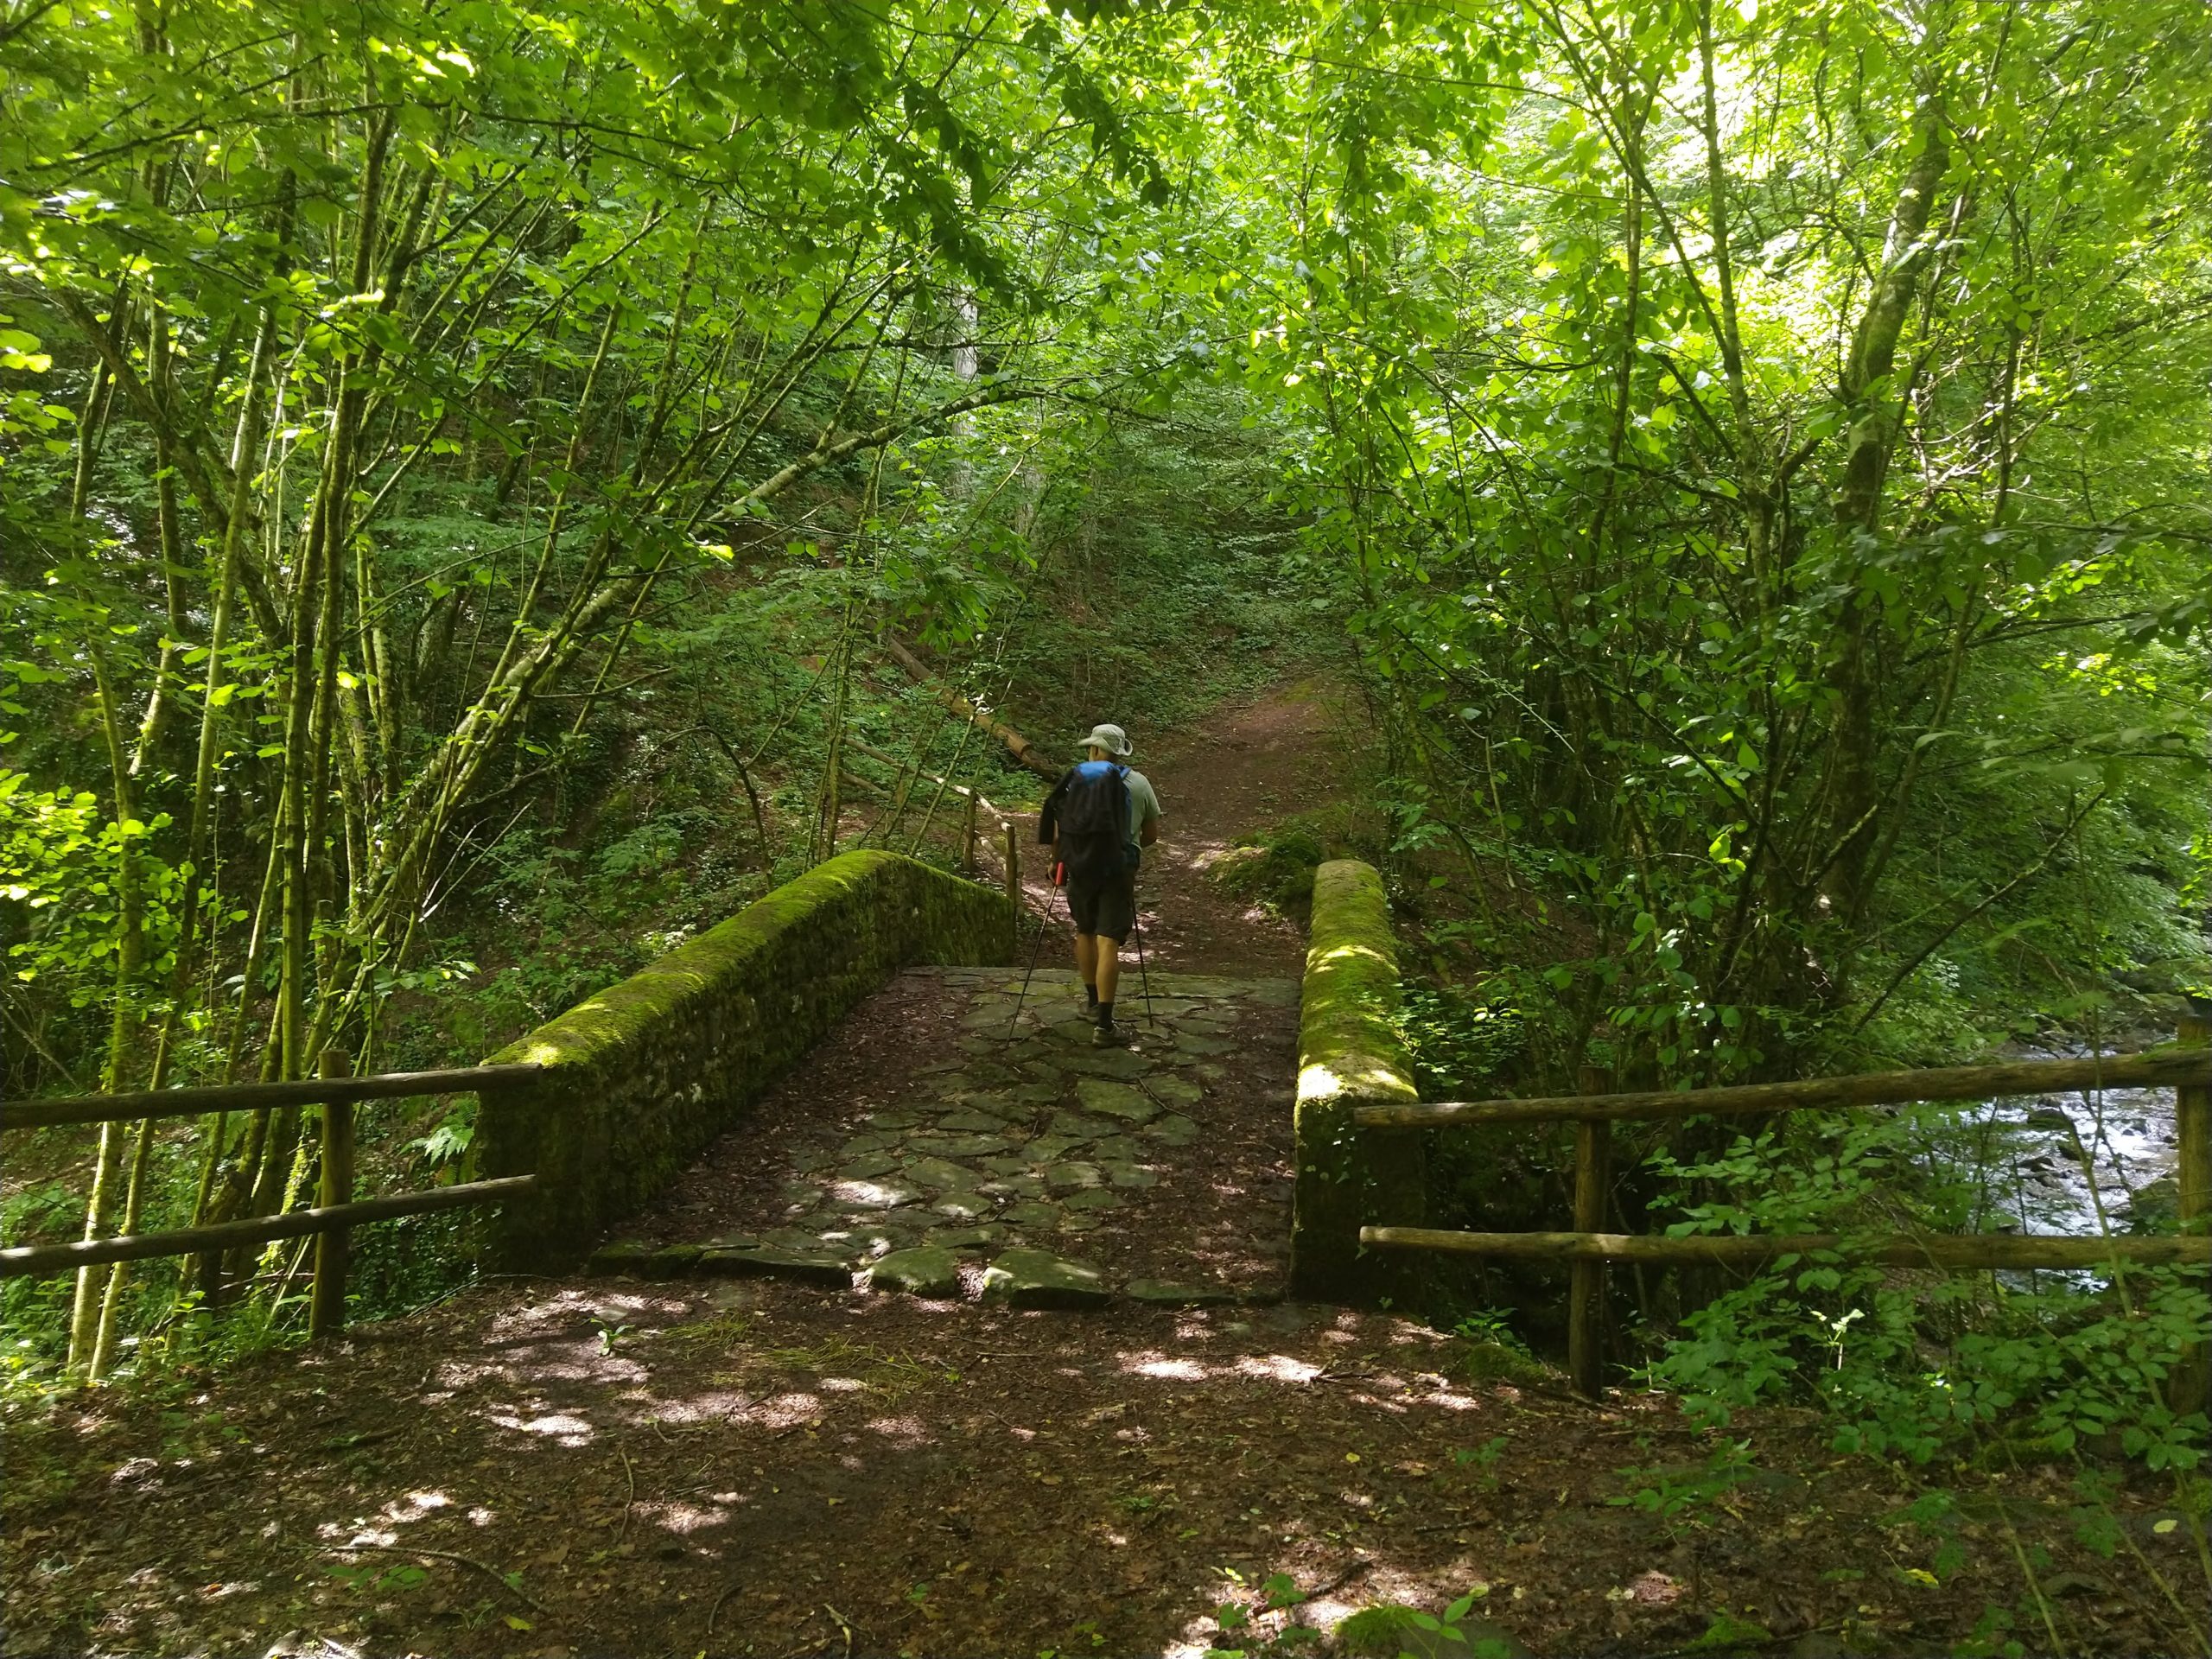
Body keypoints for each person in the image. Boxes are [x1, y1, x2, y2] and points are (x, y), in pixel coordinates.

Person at [1038, 722, 1161, 1046]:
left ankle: (1092, 1004)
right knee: (1108, 941)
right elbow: (1151, 835)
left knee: (1085, 932)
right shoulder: (1139, 783)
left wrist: (1056, 862)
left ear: (1093, 749)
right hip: (1118, 869)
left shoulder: (1075, 780)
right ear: (1120, 752)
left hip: (1080, 867)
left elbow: (1059, 830)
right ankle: (1105, 1027)